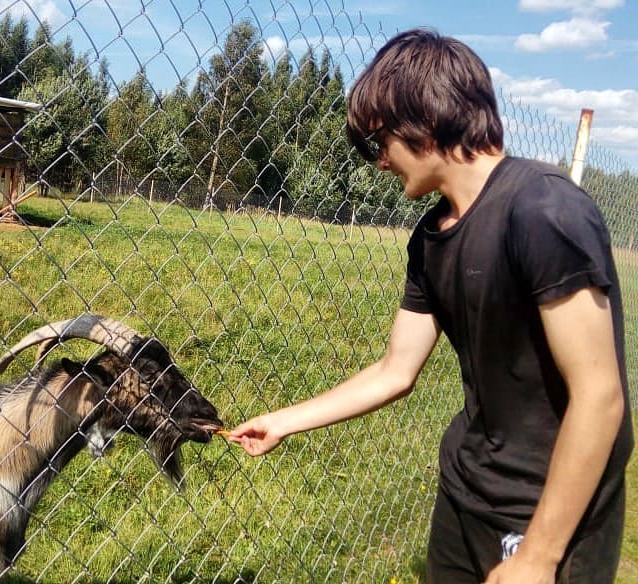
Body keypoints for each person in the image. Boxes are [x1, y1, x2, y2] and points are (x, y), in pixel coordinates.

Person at [227, 28, 633, 584]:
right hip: (467, 491)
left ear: (424, 119)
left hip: (550, 509)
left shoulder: (543, 210)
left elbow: (599, 396)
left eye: (377, 142)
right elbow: (395, 371)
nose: (378, 163)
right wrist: (281, 422)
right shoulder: (430, 237)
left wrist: (538, 557)